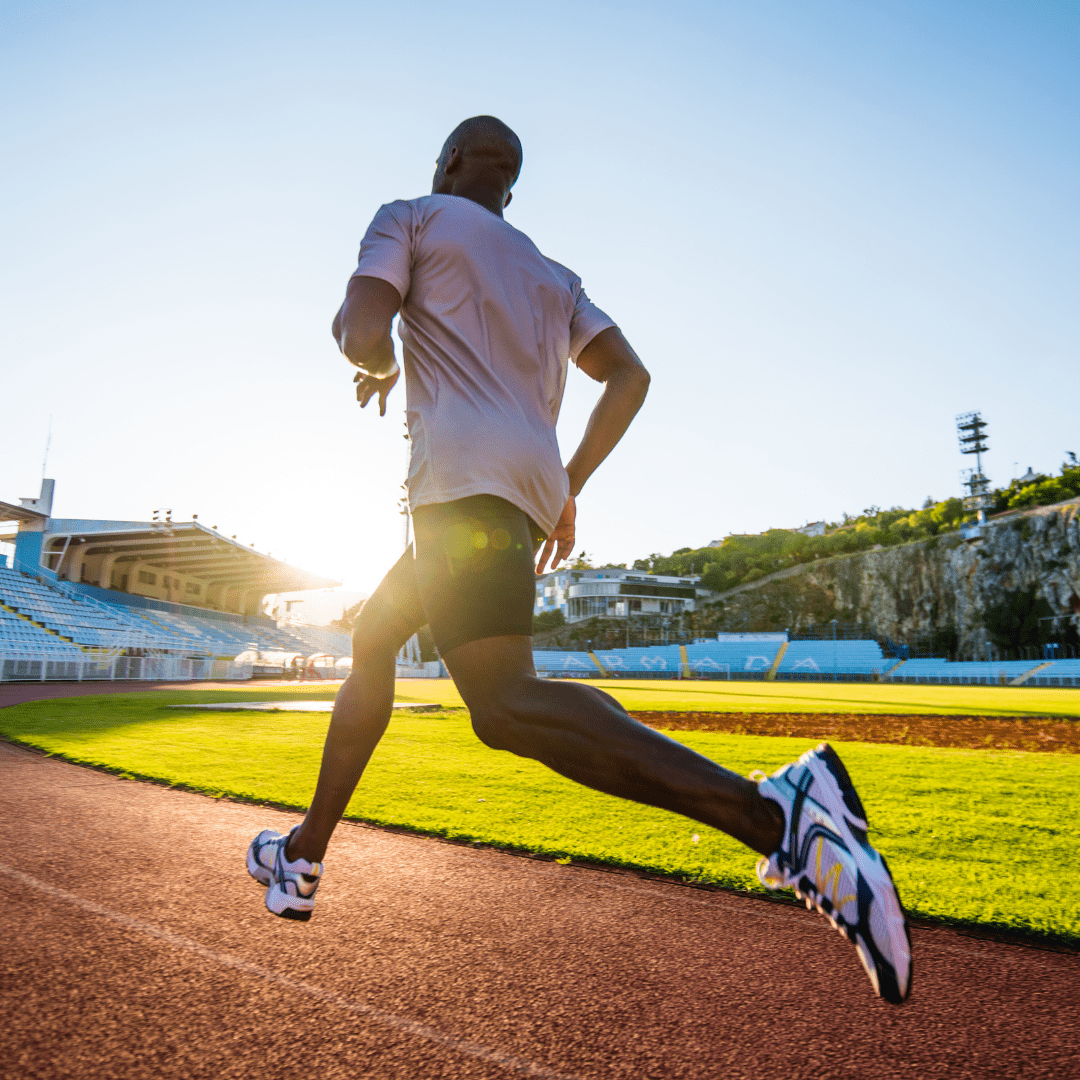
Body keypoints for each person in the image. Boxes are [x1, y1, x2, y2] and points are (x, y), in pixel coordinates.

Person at [247, 116, 911, 1004]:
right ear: (510, 187)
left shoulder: (408, 217)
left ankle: (779, 813)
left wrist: (372, 360)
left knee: (505, 706)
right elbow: (630, 376)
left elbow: (358, 326)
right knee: (375, 643)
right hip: (513, 495)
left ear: (446, 166)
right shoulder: (554, 277)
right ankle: (302, 858)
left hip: (459, 489)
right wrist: (568, 483)